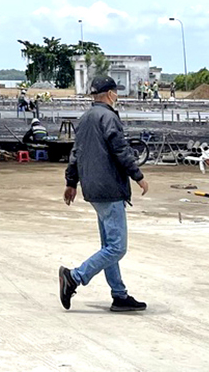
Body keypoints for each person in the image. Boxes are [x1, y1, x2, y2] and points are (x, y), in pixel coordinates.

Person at [58, 75, 148, 313]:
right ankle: (75, 277)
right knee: (117, 247)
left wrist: (71, 182)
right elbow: (120, 150)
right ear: (110, 94)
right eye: (116, 93)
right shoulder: (109, 117)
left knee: (108, 244)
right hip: (109, 188)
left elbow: (76, 153)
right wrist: (137, 175)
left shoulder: (86, 118)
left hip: (93, 189)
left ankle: (119, 295)